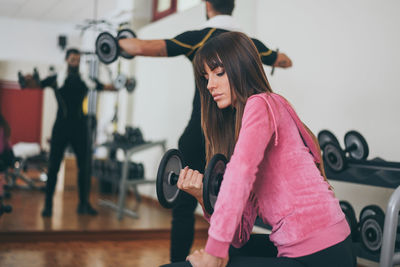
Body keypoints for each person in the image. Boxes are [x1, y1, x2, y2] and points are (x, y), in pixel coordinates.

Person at [161, 31, 356, 267]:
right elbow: (240, 235)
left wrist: (214, 254)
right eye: (206, 77)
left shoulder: (262, 103)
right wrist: (203, 195)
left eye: (219, 73)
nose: (210, 84)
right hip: (299, 248)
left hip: (323, 254)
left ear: (240, 68)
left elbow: (239, 175)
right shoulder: (242, 132)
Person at [118, 0, 292, 262]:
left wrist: (115, 43)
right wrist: (275, 57)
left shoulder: (199, 38)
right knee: (236, 203)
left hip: (198, 134)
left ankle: (180, 262)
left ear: (208, 6)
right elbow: (285, 61)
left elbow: (143, 47)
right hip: (235, 136)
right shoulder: (247, 44)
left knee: (183, 207)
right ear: (232, 7)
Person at [41, 48, 100, 217]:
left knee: (85, 167)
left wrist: (121, 84)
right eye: (73, 59)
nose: (76, 62)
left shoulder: (85, 80)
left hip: (80, 128)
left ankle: (84, 204)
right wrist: (28, 81)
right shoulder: (56, 79)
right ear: (66, 60)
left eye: (78, 60)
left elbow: (105, 86)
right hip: (61, 127)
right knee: (53, 167)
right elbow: (37, 84)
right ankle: (48, 206)